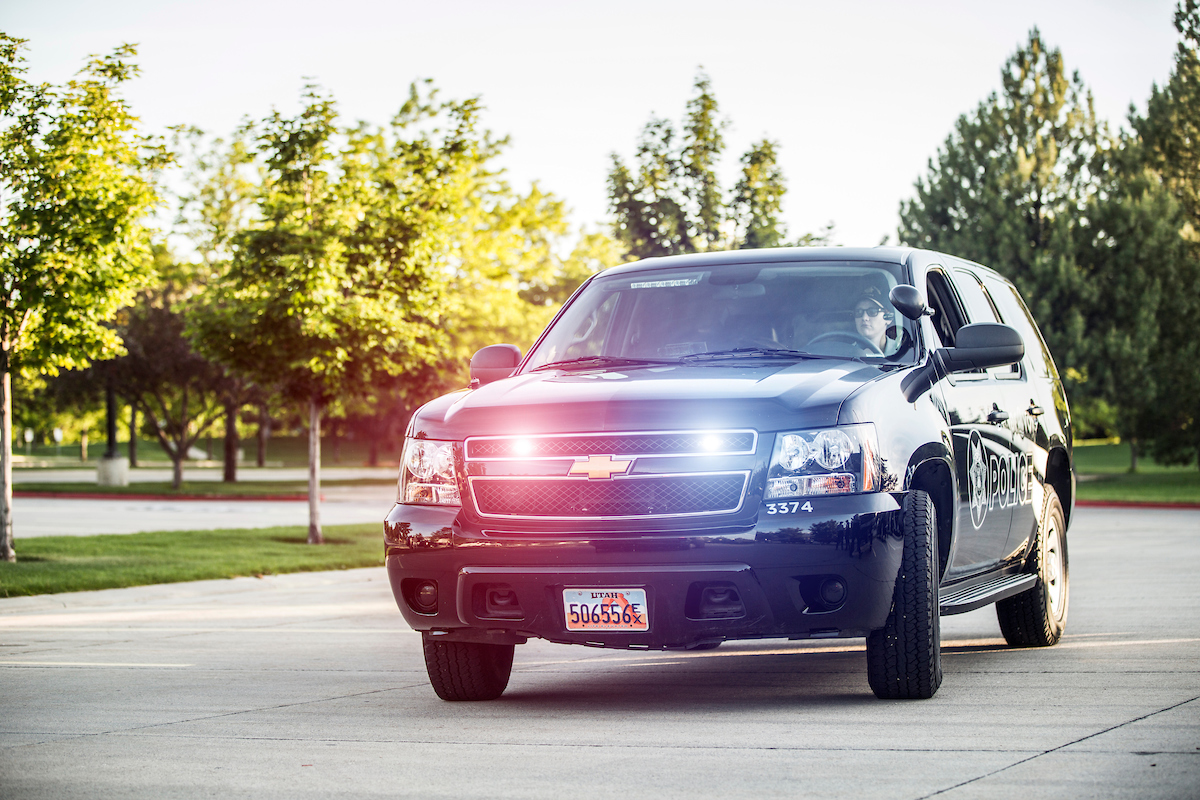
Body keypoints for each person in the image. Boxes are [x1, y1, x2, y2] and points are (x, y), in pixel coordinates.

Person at [853, 286, 901, 355]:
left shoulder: (901, 353)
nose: (864, 318)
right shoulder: (846, 354)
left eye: (872, 311)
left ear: (888, 317)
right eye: (859, 312)